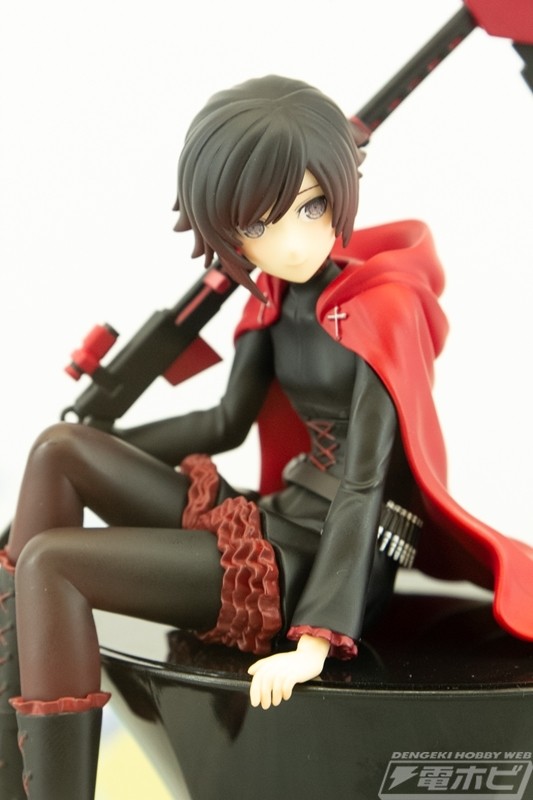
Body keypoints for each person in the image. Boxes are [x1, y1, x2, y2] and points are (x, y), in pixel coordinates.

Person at [1, 74, 532, 799]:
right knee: (57, 450)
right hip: (278, 516)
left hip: (326, 563)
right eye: (259, 223)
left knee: (51, 564)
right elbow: (223, 422)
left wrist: (316, 640)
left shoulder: (383, 308)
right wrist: (107, 440)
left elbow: (364, 482)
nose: (293, 240)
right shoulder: (273, 302)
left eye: (312, 206)